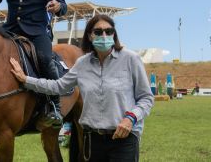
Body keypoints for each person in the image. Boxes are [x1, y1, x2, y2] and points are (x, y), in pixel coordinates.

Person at [10, 14, 154, 161]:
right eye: (98, 32)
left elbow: (146, 98)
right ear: (90, 36)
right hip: (92, 140)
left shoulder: (130, 59)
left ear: (114, 34)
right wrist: (25, 79)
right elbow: (58, 86)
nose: (104, 35)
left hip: (124, 138)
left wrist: (130, 118)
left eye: (109, 31)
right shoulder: (82, 63)